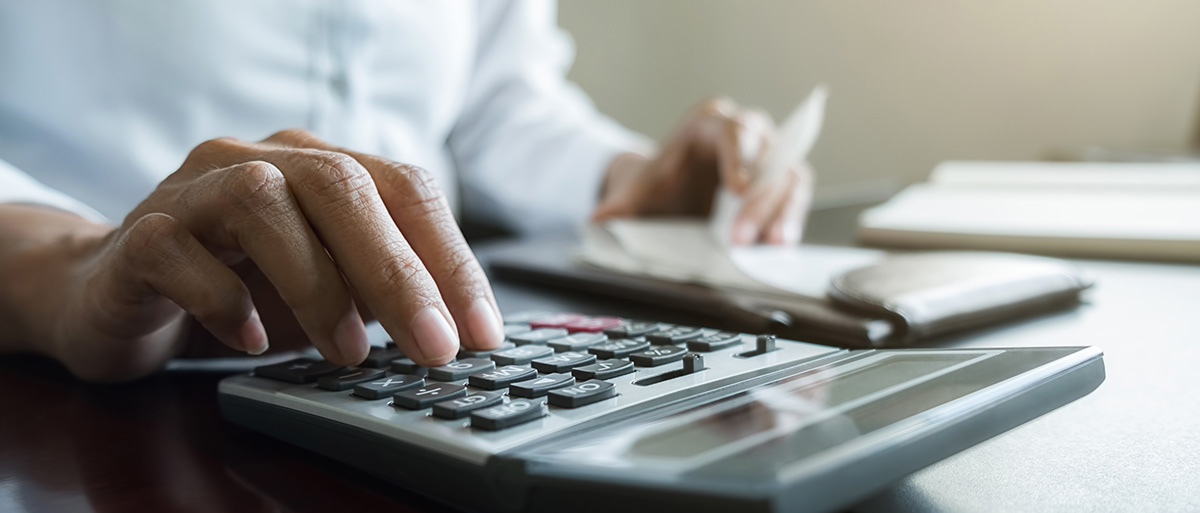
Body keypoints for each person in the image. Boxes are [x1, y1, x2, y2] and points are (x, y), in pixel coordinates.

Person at [0, 0, 812, 382]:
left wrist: (630, 184)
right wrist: (63, 267)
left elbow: (498, 99)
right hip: (83, 387)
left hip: (416, 366)